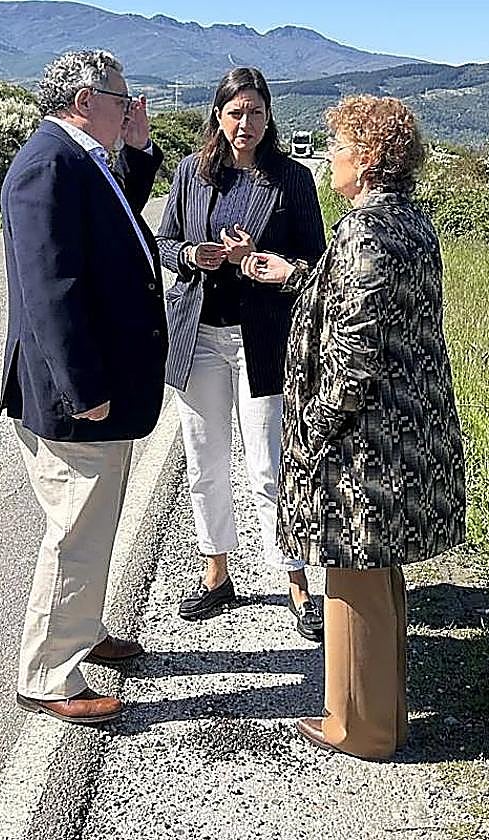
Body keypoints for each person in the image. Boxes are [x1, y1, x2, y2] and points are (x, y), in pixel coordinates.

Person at [242, 95, 466, 759]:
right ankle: (367, 716)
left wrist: (314, 425)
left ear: (367, 161)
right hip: (399, 428)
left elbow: (357, 346)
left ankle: (362, 729)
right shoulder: (405, 220)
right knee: (370, 573)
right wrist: (297, 277)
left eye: (339, 147)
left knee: (357, 574)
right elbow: (359, 301)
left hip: (368, 441)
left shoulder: (368, 229)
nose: (330, 158)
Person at [0, 50, 167, 725]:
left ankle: (83, 632)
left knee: (92, 527)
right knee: (74, 532)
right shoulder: (47, 165)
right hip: (77, 398)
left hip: (96, 390)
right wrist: (83, 387)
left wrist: (138, 147)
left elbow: (118, 212)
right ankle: (47, 674)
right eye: (121, 97)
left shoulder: (79, 156)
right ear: (82, 98)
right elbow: (51, 291)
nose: (130, 105)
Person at [155, 67, 326, 640]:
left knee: (269, 465)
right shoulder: (191, 173)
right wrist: (192, 257)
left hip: (263, 338)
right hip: (200, 334)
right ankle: (216, 574)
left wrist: (266, 262)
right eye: (235, 113)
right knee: (205, 464)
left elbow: (315, 262)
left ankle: (296, 582)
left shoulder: (292, 180)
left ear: (268, 115)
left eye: (254, 112)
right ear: (218, 116)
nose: (244, 124)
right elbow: (167, 242)